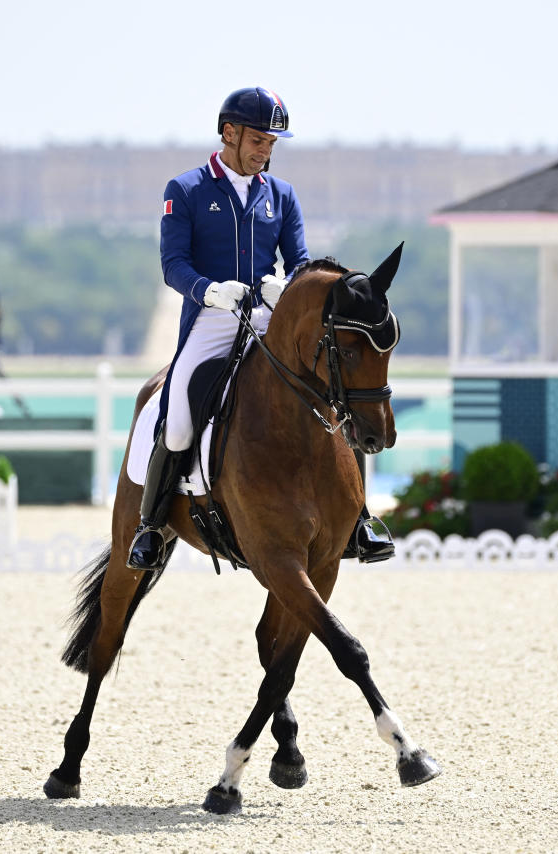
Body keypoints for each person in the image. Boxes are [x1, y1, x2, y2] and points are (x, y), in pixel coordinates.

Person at [127, 87, 395, 571]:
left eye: (272, 143)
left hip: (270, 316)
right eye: (257, 140)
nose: (265, 151)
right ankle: (150, 524)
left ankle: (358, 518)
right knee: (180, 413)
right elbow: (173, 265)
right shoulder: (186, 190)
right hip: (212, 318)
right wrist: (209, 290)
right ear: (229, 133)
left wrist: (285, 286)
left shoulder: (282, 195)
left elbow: (300, 263)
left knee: (334, 396)